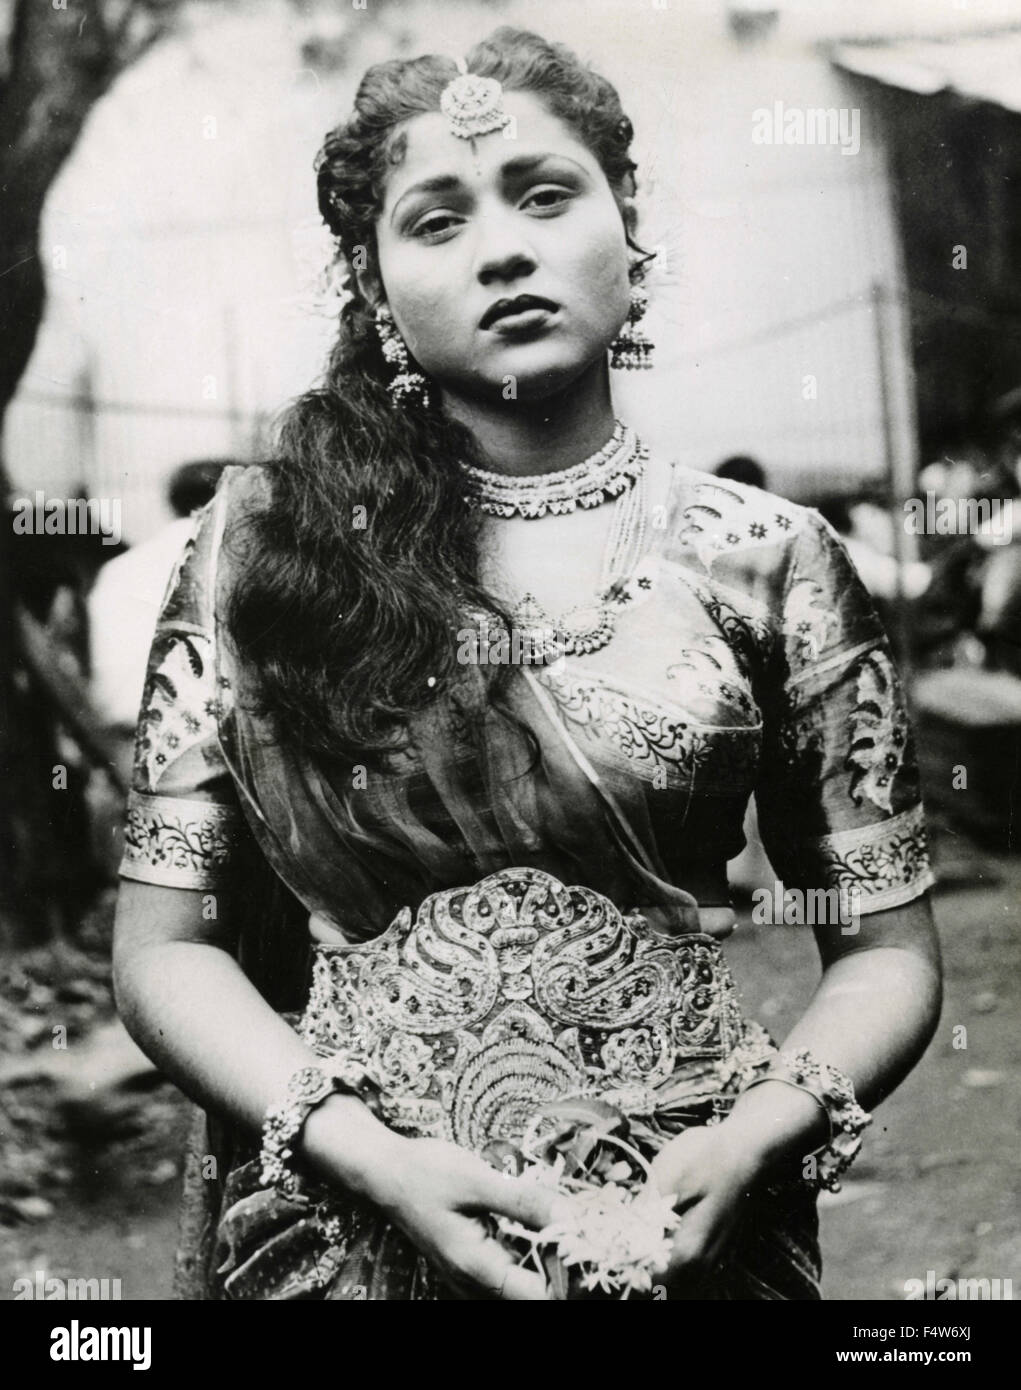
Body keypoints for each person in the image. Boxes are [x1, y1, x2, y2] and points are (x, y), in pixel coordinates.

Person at [113, 28, 942, 1301]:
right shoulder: (261, 553)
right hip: (348, 1227)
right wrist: (368, 1157)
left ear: (628, 225)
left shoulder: (769, 562)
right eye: (435, 222)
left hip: (682, 1229)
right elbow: (165, 947)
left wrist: (757, 1135)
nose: (504, 246)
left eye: (546, 195)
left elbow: (886, 951)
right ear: (374, 286)